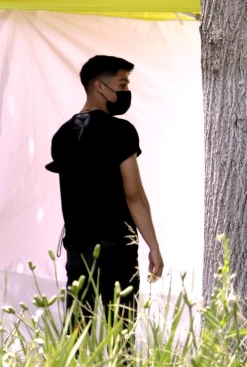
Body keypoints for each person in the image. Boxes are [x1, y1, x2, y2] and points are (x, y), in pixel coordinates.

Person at [46, 55, 164, 331]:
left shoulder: (63, 135)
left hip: (78, 251)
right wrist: (154, 247)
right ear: (100, 87)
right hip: (117, 250)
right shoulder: (120, 131)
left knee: (76, 332)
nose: (125, 92)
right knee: (121, 336)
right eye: (122, 84)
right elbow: (133, 195)